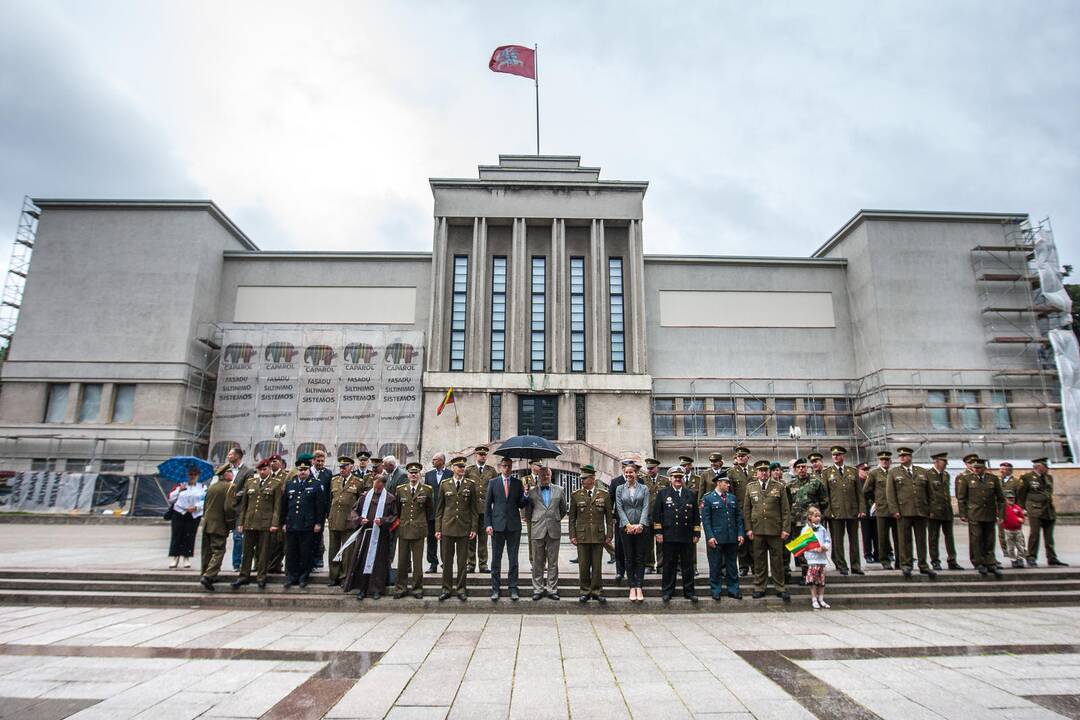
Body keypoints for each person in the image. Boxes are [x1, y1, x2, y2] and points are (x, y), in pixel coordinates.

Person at [345, 474, 399, 600]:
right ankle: (362, 588)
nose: (376, 489)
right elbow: (354, 511)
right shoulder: (365, 497)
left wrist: (384, 521)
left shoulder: (390, 498)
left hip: (380, 535)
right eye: (375, 485)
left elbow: (394, 516)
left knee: (378, 562)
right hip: (366, 533)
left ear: (383, 485)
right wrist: (359, 520)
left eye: (379, 487)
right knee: (362, 560)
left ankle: (377, 589)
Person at [232, 459, 284, 590]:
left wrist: (274, 523)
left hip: (265, 523)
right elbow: (244, 505)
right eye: (260, 470)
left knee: (263, 552)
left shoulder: (275, 484)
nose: (262, 472)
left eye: (265, 469)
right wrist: (241, 522)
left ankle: (261, 577)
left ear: (269, 470)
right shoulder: (250, 483)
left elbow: (277, 506)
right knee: (247, 551)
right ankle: (243, 575)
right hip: (250, 521)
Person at [744, 460, 791, 601]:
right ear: (756, 473)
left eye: (766, 470)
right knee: (759, 560)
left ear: (769, 472)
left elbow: (785, 510)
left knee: (777, 560)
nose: (763, 473)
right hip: (757, 529)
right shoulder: (750, 487)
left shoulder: (779, 487)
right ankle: (759, 586)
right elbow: (747, 510)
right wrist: (748, 529)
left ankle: (780, 587)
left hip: (775, 530)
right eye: (760, 470)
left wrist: (785, 529)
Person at [885, 447, 935, 579]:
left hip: (920, 511)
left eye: (905, 455)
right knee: (904, 540)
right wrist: (894, 510)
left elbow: (930, 493)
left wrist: (930, 509)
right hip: (903, 511)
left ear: (910, 457)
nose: (902, 457)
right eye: (900, 456)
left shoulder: (922, 472)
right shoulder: (894, 472)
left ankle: (923, 565)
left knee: (921, 540)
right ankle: (906, 565)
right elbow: (890, 494)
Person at [654, 467, 700, 603]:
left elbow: (696, 515)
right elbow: (657, 515)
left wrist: (696, 532)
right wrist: (658, 532)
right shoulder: (663, 494)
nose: (678, 479)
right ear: (670, 479)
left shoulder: (690, 494)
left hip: (686, 535)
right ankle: (667, 591)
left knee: (688, 565)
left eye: (680, 477)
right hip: (669, 535)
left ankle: (689, 592)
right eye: (675, 477)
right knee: (669, 565)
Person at [434, 456, 478, 601]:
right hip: (447, 527)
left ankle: (461, 589)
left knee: (462, 561)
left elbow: (474, 509)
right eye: (459, 466)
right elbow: (439, 509)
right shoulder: (445, 484)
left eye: (463, 466)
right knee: (447, 561)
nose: (461, 469)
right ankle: (446, 589)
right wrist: (438, 529)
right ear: (453, 468)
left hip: (464, 527)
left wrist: (474, 528)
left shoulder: (470, 485)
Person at [485, 456, 527, 601]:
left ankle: (513, 588)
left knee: (513, 558)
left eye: (509, 466)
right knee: (496, 559)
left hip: (514, 526)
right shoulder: (493, 483)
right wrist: (488, 524)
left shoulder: (517, 483)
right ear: (500, 467)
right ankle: (495, 589)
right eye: (504, 466)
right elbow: (487, 506)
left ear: (512, 467)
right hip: (497, 526)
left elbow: (521, 504)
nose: (507, 468)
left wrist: (526, 494)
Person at [568, 465, 613, 604]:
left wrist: (609, 534)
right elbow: (572, 518)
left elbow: (609, 518)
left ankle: (597, 591)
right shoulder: (575, 495)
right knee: (583, 565)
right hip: (582, 535)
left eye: (585, 478)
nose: (582, 480)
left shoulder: (604, 494)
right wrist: (572, 535)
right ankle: (585, 591)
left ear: (592, 479)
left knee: (597, 565)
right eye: (582, 478)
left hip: (598, 535)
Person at [280, 459, 326, 589]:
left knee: (305, 552)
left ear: (309, 470)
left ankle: (303, 577)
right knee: (291, 552)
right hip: (292, 523)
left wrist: (318, 523)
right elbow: (284, 506)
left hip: (307, 525)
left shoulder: (316, 484)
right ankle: (291, 576)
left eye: (305, 470)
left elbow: (320, 507)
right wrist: (283, 522)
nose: (302, 472)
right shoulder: (290, 484)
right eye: (300, 470)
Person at [956, 457, 1005, 578]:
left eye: (979, 468)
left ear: (984, 468)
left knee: (989, 539)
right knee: (976, 538)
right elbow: (962, 498)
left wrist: (1001, 514)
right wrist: (963, 513)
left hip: (989, 513)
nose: (976, 470)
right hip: (974, 513)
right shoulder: (966, 479)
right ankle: (979, 562)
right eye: (975, 468)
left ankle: (990, 562)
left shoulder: (992, 479)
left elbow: (1000, 498)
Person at [525, 464, 567, 601]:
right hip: (537, 529)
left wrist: (554, 519)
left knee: (553, 562)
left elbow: (563, 509)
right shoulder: (531, 492)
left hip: (553, 529)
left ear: (551, 475)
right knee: (537, 562)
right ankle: (537, 589)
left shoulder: (560, 490)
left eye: (547, 475)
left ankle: (552, 589)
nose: (545, 477)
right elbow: (528, 512)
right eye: (542, 475)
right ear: (539, 477)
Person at [821, 446, 864, 575]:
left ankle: (856, 566)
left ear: (843, 456)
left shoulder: (852, 471)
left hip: (852, 511)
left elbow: (859, 493)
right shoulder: (827, 473)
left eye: (838, 454)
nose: (835, 456)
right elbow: (825, 495)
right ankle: (841, 565)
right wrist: (829, 511)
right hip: (836, 512)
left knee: (854, 541)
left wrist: (861, 509)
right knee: (838, 541)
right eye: (834, 455)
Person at [393, 462, 434, 599]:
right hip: (404, 529)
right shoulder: (400, 489)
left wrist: (422, 523)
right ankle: (401, 588)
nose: (413, 475)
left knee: (417, 563)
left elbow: (430, 509)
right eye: (411, 473)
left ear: (419, 474)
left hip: (419, 530)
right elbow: (397, 510)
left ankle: (417, 589)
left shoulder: (427, 490)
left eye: (416, 473)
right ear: (408, 474)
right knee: (402, 561)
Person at [785, 457, 828, 585]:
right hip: (796, 522)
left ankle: (816, 575)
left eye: (803, 467)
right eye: (798, 467)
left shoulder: (816, 482)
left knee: (813, 550)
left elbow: (824, 502)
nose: (801, 469)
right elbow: (787, 504)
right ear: (795, 470)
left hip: (811, 524)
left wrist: (820, 520)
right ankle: (806, 575)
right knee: (801, 550)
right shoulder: (790, 485)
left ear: (807, 468)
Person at [701, 474, 744, 601]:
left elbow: (738, 518)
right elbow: (706, 520)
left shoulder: (732, 498)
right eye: (726, 483)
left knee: (732, 565)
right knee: (715, 564)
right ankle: (716, 590)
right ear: (719, 483)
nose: (728, 485)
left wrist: (740, 533)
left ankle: (734, 589)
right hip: (716, 537)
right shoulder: (708, 498)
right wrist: (709, 536)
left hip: (731, 537)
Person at [1020, 458, 1068, 567]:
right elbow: (1021, 494)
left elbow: (1049, 492)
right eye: (1045, 466)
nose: (1047, 468)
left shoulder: (1048, 478)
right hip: (1034, 509)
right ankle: (1031, 557)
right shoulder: (1027, 478)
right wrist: (1023, 508)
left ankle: (1052, 558)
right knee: (1034, 534)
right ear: (1038, 467)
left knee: (1049, 536)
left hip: (1048, 510)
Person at [615, 459, 651, 603]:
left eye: (631, 472)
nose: (629, 474)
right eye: (627, 472)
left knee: (640, 557)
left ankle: (639, 586)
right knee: (629, 558)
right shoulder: (619, 489)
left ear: (636, 473)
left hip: (641, 527)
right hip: (626, 528)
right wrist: (627, 525)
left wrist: (641, 524)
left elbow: (646, 507)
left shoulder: (644, 489)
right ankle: (631, 586)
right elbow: (619, 508)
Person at [326, 456, 365, 587]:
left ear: (351, 467)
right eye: (341, 467)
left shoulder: (358, 482)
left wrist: (357, 519)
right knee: (333, 549)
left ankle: (344, 576)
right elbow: (329, 499)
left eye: (345, 467)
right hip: (334, 519)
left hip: (349, 521)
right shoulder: (334, 481)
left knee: (347, 551)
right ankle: (333, 575)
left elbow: (361, 502)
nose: (342, 470)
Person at [199, 465, 236, 591]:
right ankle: (209, 576)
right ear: (224, 474)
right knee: (219, 550)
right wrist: (231, 524)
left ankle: (204, 572)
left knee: (207, 551)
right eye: (230, 472)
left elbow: (205, 506)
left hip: (208, 523)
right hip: (219, 524)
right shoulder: (230, 487)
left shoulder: (211, 487)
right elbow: (228, 508)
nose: (232, 474)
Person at [926, 451, 961, 570]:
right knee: (933, 537)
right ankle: (935, 560)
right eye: (943, 461)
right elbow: (926, 495)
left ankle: (952, 560)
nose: (946, 464)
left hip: (946, 511)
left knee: (949, 537)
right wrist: (928, 510)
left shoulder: (946, 475)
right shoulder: (928, 475)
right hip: (934, 511)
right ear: (936, 461)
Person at [863, 450, 898, 570]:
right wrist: (875, 501)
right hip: (882, 509)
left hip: (896, 510)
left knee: (898, 537)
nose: (884, 462)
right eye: (882, 460)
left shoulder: (894, 472)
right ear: (879, 461)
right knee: (882, 537)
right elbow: (866, 490)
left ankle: (900, 560)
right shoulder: (874, 474)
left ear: (890, 461)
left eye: (887, 460)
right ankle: (884, 560)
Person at [465, 446, 496, 572]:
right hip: (471, 510)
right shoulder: (469, 470)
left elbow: (495, 489)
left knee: (483, 538)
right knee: (471, 537)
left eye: (484, 454)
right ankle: (470, 563)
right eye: (480, 454)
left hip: (485, 509)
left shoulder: (491, 471)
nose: (482, 456)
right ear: (475, 456)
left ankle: (483, 564)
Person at [167, 466, 205, 569]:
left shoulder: (202, 487)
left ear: (198, 476)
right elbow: (170, 499)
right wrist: (179, 490)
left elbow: (204, 500)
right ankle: (175, 557)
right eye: (191, 474)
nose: (192, 476)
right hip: (179, 512)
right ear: (187, 475)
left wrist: (196, 507)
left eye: (195, 474)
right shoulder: (180, 485)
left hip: (193, 514)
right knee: (176, 534)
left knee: (190, 535)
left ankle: (186, 557)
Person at [224, 447, 253, 572]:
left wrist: (235, 495)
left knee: (238, 537)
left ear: (238, 456)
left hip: (239, 509)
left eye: (230, 454)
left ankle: (237, 563)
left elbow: (247, 488)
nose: (228, 456)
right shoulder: (225, 470)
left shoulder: (247, 471)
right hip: (224, 508)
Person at [727, 446, 753, 576]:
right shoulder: (731, 472)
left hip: (754, 510)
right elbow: (730, 493)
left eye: (743, 455)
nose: (741, 457)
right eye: (739, 456)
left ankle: (755, 564)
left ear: (748, 457)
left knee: (754, 539)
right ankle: (743, 566)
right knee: (741, 539)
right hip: (739, 510)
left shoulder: (754, 471)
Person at [801, 506, 832, 609]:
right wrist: (815, 549)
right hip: (812, 559)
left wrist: (825, 547)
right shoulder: (806, 529)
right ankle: (814, 598)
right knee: (813, 580)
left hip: (822, 558)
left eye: (819, 516)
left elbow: (827, 540)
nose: (818, 518)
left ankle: (821, 598)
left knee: (821, 579)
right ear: (810, 517)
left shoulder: (822, 529)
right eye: (815, 516)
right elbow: (804, 544)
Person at [423, 452, 448, 572]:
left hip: (446, 513)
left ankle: (445, 562)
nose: (433, 461)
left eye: (435, 459)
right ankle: (433, 563)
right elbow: (427, 493)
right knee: (431, 539)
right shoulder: (429, 475)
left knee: (445, 539)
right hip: (432, 513)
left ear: (442, 461)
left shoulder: (450, 474)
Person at [641, 458, 665, 574]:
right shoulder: (642, 481)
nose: (650, 470)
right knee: (647, 543)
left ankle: (661, 565)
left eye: (652, 468)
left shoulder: (665, 481)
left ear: (657, 468)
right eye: (648, 468)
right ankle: (649, 565)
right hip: (647, 516)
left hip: (661, 516)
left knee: (661, 542)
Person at [309, 450, 333, 570]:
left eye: (322, 461)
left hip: (321, 510)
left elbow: (329, 494)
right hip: (308, 509)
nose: (320, 463)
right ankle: (308, 560)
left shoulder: (328, 474)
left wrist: (328, 511)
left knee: (319, 535)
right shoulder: (308, 472)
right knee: (308, 535)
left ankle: (318, 559)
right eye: (318, 461)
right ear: (313, 461)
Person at [608, 462, 627, 583]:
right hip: (619, 519)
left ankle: (633, 571)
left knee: (633, 548)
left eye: (631, 469)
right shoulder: (615, 482)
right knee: (619, 547)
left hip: (634, 520)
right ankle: (620, 572)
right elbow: (610, 501)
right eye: (625, 468)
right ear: (623, 468)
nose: (628, 471)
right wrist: (612, 516)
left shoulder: (640, 481)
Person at [997, 461, 1021, 557]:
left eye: (1004, 469)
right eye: (1001, 469)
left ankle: (1015, 549)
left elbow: (1019, 496)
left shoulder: (1016, 482)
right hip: (1000, 510)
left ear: (1010, 471)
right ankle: (1005, 549)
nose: (1002, 471)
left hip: (1011, 510)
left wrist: (1018, 510)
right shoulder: (997, 480)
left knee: (1013, 531)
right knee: (1001, 531)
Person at [857, 462, 877, 565]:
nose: (866, 471)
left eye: (867, 469)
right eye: (864, 470)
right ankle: (868, 554)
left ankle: (877, 554)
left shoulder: (871, 480)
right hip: (864, 510)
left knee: (876, 533)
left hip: (874, 510)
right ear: (859, 471)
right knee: (866, 534)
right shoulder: (858, 482)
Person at [1001, 490, 1027, 568]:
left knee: (1020, 545)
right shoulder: (1004, 508)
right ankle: (1013, 560)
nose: (1011, 500)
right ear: (1005, 499)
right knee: (1010, 546)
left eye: (1012, 498)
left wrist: (1021, 520)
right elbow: (1000, 518)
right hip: (1008, 530)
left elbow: (1022, 517)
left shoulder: (1017, 508)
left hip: (1018, 530)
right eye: (1009, 498)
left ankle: (1020, 559)